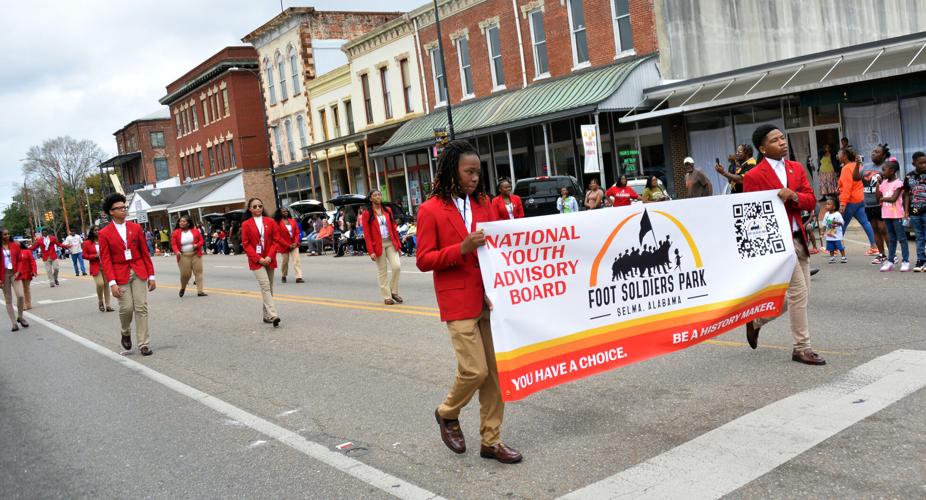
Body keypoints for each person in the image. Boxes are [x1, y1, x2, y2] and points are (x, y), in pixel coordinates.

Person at [415, 140, 521, 464]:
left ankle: (491, 440)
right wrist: (461, 248)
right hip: (458, 302)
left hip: (488, 300)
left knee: (495, 375)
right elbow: (423, 259)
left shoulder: (484, 204)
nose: (475, 177)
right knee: (474, 370)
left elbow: (498, 247)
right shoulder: (430, 209)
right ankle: (447, 412)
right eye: (468, 171)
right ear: (452, 170)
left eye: (478, 171)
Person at [743, 124, 825, 366]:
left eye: (783, 138)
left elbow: (811, 200)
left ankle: (757, 321)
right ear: (762, 148)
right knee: (798, 293)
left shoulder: (797, 168)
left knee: (802, 296)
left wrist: (795, 196)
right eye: (775, 140)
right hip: (778, 244)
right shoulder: (753, 176)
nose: (782, 142)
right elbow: (750, 215)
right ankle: (802, 348)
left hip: (798, 238)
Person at [98, 193, 156, 356]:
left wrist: (151, 276)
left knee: (141, 307)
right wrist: (112, 283)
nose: (124, 210)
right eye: (120, 208)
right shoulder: (104, 233)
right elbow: (106, 260)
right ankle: (125, 331)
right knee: (127, 308)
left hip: (138, 271)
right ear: (111, 212)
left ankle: (144, 343)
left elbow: (145, 253)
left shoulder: (136, 228)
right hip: (119, 273)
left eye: (124, 207)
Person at [241, 197, 282, 327]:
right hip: (256, 260)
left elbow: (276, 240)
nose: (258, 208)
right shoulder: (246, 224)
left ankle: (266, 315)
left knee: (269, 288)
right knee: (265, 286)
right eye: (254, 207)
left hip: (270, 258)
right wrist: (259, 259)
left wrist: (269, 256)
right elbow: (246, 245)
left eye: (260, 206)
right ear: (250, 209)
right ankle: (273, 315)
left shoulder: (271, 222)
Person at [361, 190, 403, 305]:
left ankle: (393, 291)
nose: (378, 197)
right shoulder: (366, 214)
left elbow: (393, 229)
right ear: (370, 199)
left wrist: (398, 246)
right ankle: (387, 296)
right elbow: (367, 235)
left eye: (379, 194)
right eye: (375, 195)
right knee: (382, 271)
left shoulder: (387, 210)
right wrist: (371, 251)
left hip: (390, 242)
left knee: (397, 266)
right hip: (378, 245)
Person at [837, 147, 879, 256]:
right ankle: (874, 247)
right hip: (861, 199)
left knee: (841, 224)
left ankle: (836, 248)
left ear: (845, 156)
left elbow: (847, 187)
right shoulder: (858, 166)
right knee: (866, 223)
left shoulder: (846, 168)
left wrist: (842, 203)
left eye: (839, 154)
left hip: (851, 200)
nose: (838, 156)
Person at [876, 160, 911, 272]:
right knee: (891, 238)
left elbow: (893, 199)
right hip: (886, 215)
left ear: (892, 171)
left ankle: (905, 261)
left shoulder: (899, 183)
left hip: (897, 215)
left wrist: (882, 198)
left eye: (884, 170)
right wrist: (878, 183)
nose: (882, 172)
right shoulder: (884, 183)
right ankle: (890, 261)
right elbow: (877, 197)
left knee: (902, 238)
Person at [863, 144, 891, 263]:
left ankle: (892, 254)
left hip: (881, 204)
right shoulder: (866, 167)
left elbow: (892, 184)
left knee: (884, 229)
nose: (873, 153)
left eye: (877, 152)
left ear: (883, 155)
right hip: (868, 204)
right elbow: (855, 178)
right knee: (875, 229)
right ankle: (881, 254)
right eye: (873, 151)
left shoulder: (887, 167)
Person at [171, 215, 207, 296]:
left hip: (195, 254)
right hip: (183, 256)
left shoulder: (195, 231)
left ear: (188, 223)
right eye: (180, 221)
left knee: (198, 272)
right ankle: (183, 287)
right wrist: (177, 252)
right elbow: (173, 244)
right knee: (185, 275)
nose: (181, 223)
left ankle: (200, 291)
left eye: (184, 221)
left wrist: (197, 245)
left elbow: (201, 241)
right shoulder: (176, 232)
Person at [1, 229, 28, 332]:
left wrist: (18, 272)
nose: (7, 236)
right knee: (8, 300)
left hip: (15, 273)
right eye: (5, 234)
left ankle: (20, 317)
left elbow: (20, 260)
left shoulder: (15, 245)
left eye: (8, 234)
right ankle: (14, 323)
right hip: (3, 275)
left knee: (20, 295)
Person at [82, 227, 114, 312]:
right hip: (95, 266)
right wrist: (94, 256)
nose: (97, 231)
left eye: (98, 230)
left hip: (105, 265)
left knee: (107, 285)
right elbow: (84, 255)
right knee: (100, 284)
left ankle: (108, 305)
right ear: (92, 232)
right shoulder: (87, 243)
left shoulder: (103, 241)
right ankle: (100, 301)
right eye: (95, 230)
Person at [905, 151, 926, 271]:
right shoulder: (909, 177)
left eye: (925, 163)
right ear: (914, 163)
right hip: (914, 212)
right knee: (919, 236)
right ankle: (920, 260)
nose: (924, 165)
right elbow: (906, 194)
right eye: (921, 163)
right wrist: (906, 211)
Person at [274, 207, 304, 284]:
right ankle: (284, 275)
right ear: (280, 213)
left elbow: (297, 233)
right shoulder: (277, 223)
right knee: (285, 262)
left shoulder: (292, 221)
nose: (285, 212)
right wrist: (288, 245)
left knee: (296, 260)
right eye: (283, 211)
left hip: (294, 244)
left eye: (286, 211)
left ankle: (298, 277)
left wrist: (295, 242)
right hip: (284, 246)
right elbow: (278, 237)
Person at [821, 198, 847, 264]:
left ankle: (843, 257)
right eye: (826, 204)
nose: (826, 205)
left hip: (837, 235)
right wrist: (822, 231)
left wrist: (836, 222)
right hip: (829, 234)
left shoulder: (837, 214)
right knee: (830, 247)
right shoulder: (826, 214)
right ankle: (832, 257)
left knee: (840, 246)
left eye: (829, 204)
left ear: (834, 207)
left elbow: (842, 223)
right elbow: (824, 224)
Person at [17, 243, 37, 311]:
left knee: (26, 289)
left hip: (27, 273)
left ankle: (28, 304)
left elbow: (32, 261)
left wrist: (34, 270)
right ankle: (23, 305)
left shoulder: (27, 251)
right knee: (20, 290)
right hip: (17, 274)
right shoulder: (12, 253)